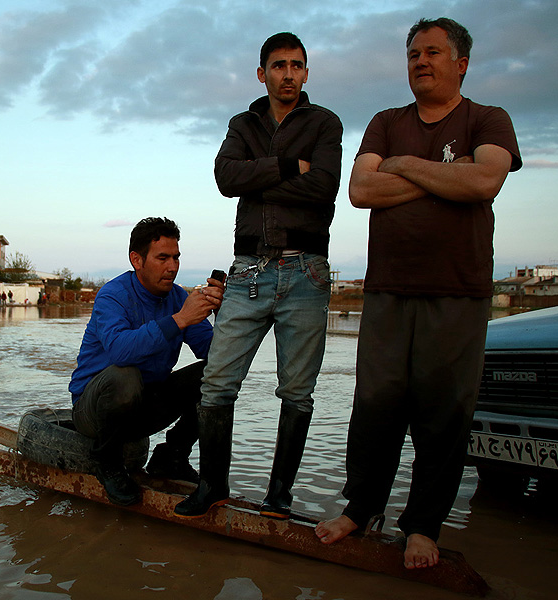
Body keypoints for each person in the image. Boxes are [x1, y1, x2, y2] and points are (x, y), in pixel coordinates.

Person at [314, 17, 522, 569]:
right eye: (413, 54)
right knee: (375, 403)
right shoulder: (386, 122)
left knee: (443, 410)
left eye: (432, 52)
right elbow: (361, 190)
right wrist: (444, 176)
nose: (420, 62)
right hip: (388, 288)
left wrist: (403, 167)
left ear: (461, 63)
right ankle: (362, 508)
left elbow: (484, 181)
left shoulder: (488, 119)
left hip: (457, 290)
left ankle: (423, 525)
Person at [174, 32, 342, 520]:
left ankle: (279, 497)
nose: (288, 74)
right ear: (261, 73)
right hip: (248, 269)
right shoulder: (242, 124)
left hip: (307, 272)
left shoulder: (324, 122)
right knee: (216, 382)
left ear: (306, 72)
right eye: (278, 65)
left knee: (297, 390)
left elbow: (324, 187)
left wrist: (258, 177)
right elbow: (226, 178)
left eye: (296, 65)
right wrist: (289, 166)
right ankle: (212, 487)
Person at [69, 217, 224, 506]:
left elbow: (213, 352)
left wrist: (224, 315)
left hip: (144, 406)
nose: (172, 267)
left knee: (218, 374)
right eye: (162, 258)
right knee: (125, 375)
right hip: (94, 411)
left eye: (176, 257)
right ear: (136, 260)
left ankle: (171, 456)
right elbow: (120, 351)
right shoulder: (112, 296)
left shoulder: (178, 298)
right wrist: (179, 320)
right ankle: (107, 461)